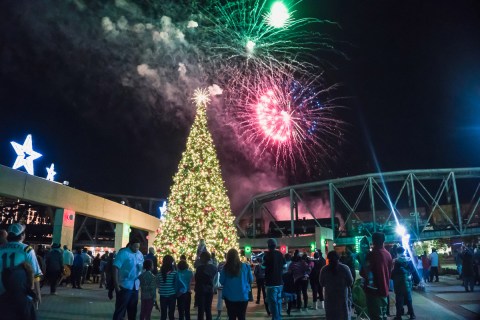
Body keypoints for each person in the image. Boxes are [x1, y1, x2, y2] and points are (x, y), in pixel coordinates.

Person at [0, 223, 42, 307]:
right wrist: (38, 294)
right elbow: (35, 274)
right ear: (22, 235)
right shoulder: (27, 249)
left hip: (2, 291)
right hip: (21, 293)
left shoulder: (1, 248)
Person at [360, 232, 393, 320]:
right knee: (383, 315)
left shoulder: (372, 254)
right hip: (384, 290)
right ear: (384, 241)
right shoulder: (388, 254)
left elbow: (363, 272)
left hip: (374, 292)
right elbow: (390, 272)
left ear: (373, 241)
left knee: (375, 316)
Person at [112, 237, 144, 320]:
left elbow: (142, 266)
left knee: (133, 310)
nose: (137, 249)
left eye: (138, 247)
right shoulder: (123, 253)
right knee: (120, 310)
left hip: (135, 286)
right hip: (125, 285)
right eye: (135, 247)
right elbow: (115, 268)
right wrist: (116, 285)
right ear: (130, 245)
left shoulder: (140, 254)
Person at [220, 248, 253, 320]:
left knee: (231, 317)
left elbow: (221, 281)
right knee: (242, 317)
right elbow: (251, 280)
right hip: (243, 296)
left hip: (229, 297)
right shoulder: (245, 266)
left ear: (228, 257)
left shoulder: (225, 268)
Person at [320, 251, 353, 320]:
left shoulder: (324, 269)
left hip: (329, 298)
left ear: (328, 259)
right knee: (344, 316)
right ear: (339, 258)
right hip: (342, 297)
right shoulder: (345, 268)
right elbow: (350, 282)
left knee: (331, 316)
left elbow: (321, 283)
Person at [262, 238, 286, 320]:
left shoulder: (266, 255)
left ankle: (276, 318)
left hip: (270, 283)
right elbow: (285, 266)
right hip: (279, 282)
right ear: (275, 245)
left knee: (273, 302)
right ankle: (279, 316)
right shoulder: (280, 254)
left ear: (268, 246)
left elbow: (263, 266)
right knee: (278, 301)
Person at [391, 247, 416, 320]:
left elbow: (393, 273)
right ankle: (412, 315)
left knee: (399, 300)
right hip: (407, 282)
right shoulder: (409, 260)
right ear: (404, 251)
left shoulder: (396, 261)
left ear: (397, 252)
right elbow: (413, 270)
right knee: (409, 299)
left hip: (398, 283)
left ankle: (399, 316)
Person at [195, 251, 217, 320]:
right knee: (208, 309)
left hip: (200, 290)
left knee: (200, 310)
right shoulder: (213, 268)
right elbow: (215, 279)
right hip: (209, 289)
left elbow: (197, 279)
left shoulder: (199, 268)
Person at [157, 254, 178, 320]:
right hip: (172, 294)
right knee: (171, 314)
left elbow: (158, 283)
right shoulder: (174, 273)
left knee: (163, 314)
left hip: (163, 294)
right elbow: (176, 284)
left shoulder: (160, 273)